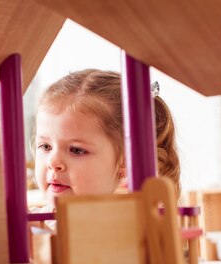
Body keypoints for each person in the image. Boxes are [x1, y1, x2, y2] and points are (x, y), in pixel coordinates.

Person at [33, 69, 181, 207]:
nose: (53, 162)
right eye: (46, 146)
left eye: (76, 150)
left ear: (125, 160)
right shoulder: (32, 224)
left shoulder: (133, 226)